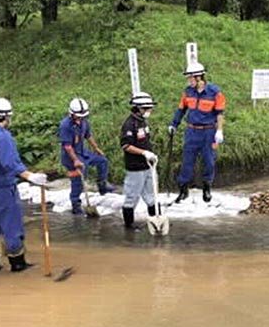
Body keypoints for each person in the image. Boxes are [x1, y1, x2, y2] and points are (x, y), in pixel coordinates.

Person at [0, 98, 47, 274]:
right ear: (6, 116)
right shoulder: (2, 137)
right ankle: (17, 264)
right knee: (11, 225)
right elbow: (10, 164)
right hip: (2, 188)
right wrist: (30, 176)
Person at [168, 61, 226, 203]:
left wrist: (219, 130)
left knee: (209, 161)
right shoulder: (188, 92)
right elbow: (181, 110)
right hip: (192, 132)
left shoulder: (215, 92)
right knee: (187, 161)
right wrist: (174, 124)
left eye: (190, 78)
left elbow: (220, 113)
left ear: (199, 77)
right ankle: (183, 190)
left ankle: (207, 189)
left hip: (209, 133)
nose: (189, 81)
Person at [58, 98, 115, 215]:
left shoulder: (84, 122)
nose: (80, 119)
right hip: (71, 157)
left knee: (102, 161)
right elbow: (67, 147)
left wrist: (96, 148)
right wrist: (75, 161)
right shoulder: (65, 126)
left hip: (83, 152)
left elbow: (88, 136)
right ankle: (76, 204)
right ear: (72, 114)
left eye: (82, 117)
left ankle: (102, 185)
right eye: (78, 117)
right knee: (78, 179)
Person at [120, 92, 159, 230]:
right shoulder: (129, 124)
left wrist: (151, 154)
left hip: (148, 165)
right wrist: (144, 153)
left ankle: (155, 221)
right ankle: (129, 226)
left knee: (152, 195)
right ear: (138, 108)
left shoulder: (143, 121)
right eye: (146, 108)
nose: (149, 111)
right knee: (132, 197)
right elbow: (126, 146)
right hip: (135, 167)